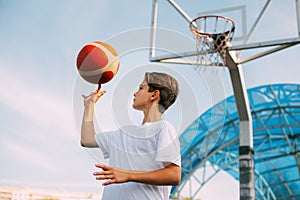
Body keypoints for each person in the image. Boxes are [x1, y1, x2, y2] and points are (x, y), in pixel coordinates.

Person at [80, 72, 181, 200]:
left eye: (141, 88)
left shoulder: (163, 128)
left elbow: (174, 175)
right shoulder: (123, 133)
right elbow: (86, 140)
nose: (135, 93)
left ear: (154, 95)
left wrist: (128, 175)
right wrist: (89, 106)